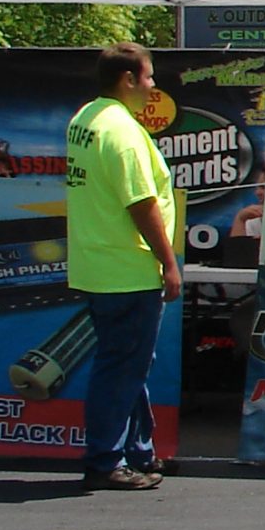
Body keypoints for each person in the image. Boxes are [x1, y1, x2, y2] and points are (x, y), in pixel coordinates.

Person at [64, 43, 182, 492]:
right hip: (127, 267)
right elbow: (141, 203)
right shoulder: (123, 132)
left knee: (129, 364)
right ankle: (104, 460)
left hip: (98, 263)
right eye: (148, 77)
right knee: (120, 368)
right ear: (128, 79)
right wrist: (168, 262)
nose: (153, 86)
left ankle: (138, 451)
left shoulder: (85, 118)